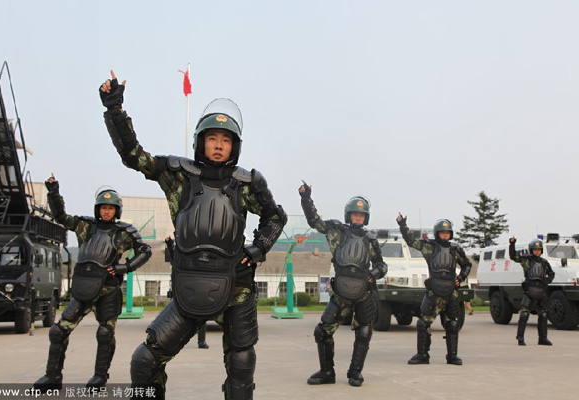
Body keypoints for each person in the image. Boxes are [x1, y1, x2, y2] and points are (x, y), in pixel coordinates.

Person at [100, 71, 287, 399]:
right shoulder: (177, 174)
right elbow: (134, 157)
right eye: (213, 138)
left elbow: (275, 217)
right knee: (145, 361)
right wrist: (115, 111)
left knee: (241, 364)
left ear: (235, 146)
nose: (219, 145)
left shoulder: (246, 183)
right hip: (190, 282)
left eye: (226, 140)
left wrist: (256, 251)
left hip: (237, 286)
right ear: (201, 141)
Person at [34, 175, 152, 390]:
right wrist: (53, 192)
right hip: (84, 287)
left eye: (111, 208)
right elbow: (61, 217)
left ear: (117, 210)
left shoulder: (124, 232)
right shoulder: (85, 226)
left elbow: (146, 250)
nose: (106, 211)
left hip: (108, 288)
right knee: (58, 331)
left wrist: (124, 267)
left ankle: (99, 377)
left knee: (105, 333)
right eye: (103, 207)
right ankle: (52, 377)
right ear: (98, 209)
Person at [299, 181, 387, 387]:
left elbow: (382, 265)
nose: (358, 217)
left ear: (366, 217)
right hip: (341, 291)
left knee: (364, 331)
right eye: (355, 214)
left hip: (364, 292)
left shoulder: (370, 239)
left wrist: (373, 274)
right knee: (322, 331)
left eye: (362, 215)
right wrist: (306, 198)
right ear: (349, 215)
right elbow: (315, 222)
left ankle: (355, 373)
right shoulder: (336, 231)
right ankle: (327, 372)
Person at [397, 213, 471, 365]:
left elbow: (467, 265)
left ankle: (452, 355)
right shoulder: (429, 246)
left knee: (452, 323)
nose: (445, 235)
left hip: (451, 291)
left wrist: (460, 278)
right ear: (437, 233)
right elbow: (411, 241)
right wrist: (403, 226)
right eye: (442, 232)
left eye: (447, 232)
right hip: (434, 292)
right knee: (423, 323)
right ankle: (422, 354)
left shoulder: (455, 249)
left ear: (451, 234)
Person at [509, 237, 555, 346]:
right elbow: (513, 257)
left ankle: (543, 338)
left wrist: (547, 281)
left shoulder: (544, 262)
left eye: (539, 250)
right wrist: (512, 244)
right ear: (531, 250)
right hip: (530, 290)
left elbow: (551, 274)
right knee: (524, 314)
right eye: (535, 250)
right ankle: (520, 338)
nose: (537, 252)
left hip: (541, 291)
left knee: (543, 315)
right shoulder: (527, 260)